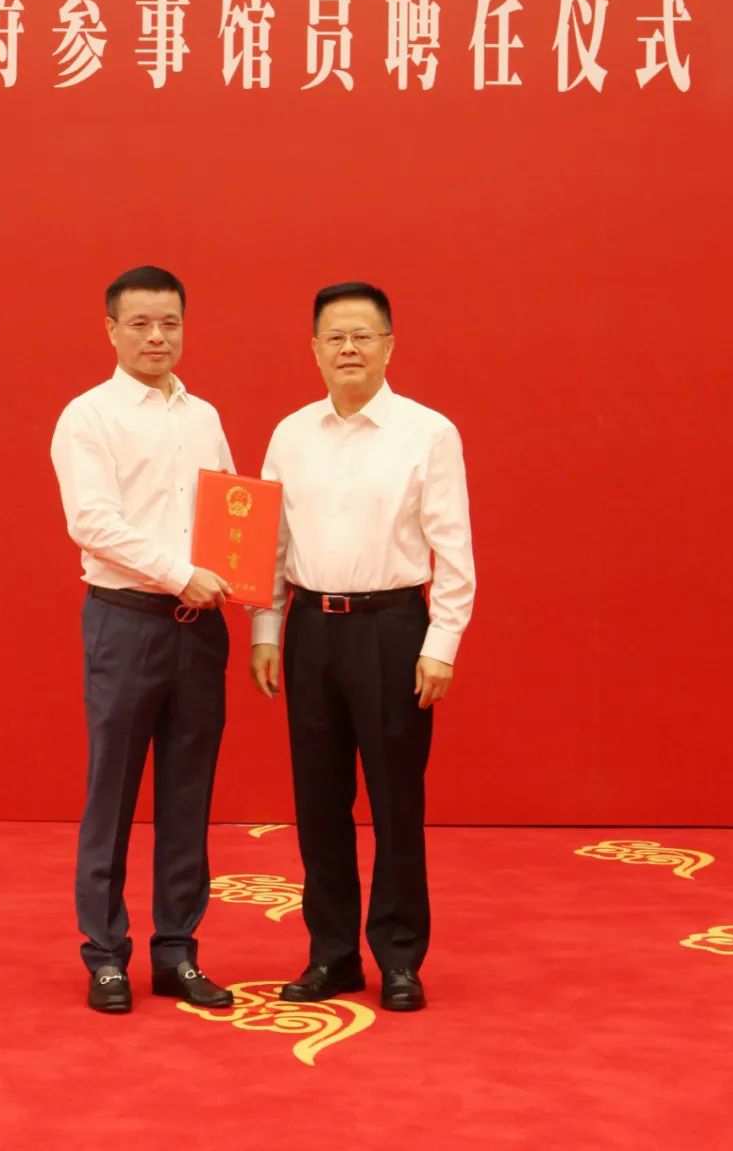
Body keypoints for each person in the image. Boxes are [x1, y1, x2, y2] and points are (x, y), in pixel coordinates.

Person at [249, 281, 475, 1012]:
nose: (349, 348)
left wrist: (442, 642)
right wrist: (265, 629)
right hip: (311, 628)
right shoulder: (290, 434)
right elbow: (270, 543)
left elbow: (454, 547)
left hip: (392, 630)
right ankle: (332, 954)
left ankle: (401, 956)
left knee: (395, 799)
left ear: (389, 345)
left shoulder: (428, 432)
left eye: (363, 335)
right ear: (314, 349)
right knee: (318, 802)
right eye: (335, 337)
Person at [51, 265, 236, 1014]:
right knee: (114, 790)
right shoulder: (88, 417)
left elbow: (232, 511)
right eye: (141, 324)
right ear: (112, 330)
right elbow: (93, 523)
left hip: (201, 629)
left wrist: (239, 582)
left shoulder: (204, 415)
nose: (157, 337)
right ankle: (105, 953)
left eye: (170, 323)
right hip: (126, 622)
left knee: (190, 795)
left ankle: (177, 950)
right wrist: (181, 572)